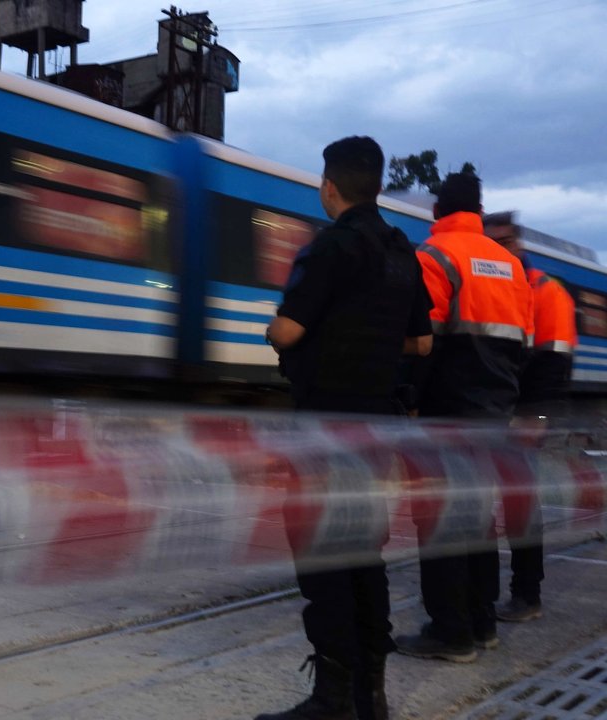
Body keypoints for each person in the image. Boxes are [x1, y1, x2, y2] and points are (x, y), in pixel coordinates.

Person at [258, 136, 433, 720]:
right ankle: (370, 695)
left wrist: (276, 328)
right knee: (363, 552)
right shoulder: (402, 252)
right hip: (377, 425)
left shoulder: (331, 247)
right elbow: (421, 342)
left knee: (322, 555)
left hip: (324, 425)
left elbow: (289, 331)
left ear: (329, 186)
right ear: (378, 186)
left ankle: (333, 698)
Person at [395, 174, 534, 663]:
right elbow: (524, 344)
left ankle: (450, 632)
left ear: (438, 210)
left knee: (439, 517)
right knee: (478, 516)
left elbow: (424, 341)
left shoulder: (434, 255)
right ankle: (481, 622)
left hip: (446, 410)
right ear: (478, 211)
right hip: (495, 410)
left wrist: (410, 400)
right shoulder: (512, 266)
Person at [483, 210, 577, 623]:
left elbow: (554, 361)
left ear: (518, 244)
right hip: (496, 411)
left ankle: (526, 593)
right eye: (491, 243)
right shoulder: (499, 286)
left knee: (519, 501)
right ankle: (488, 593)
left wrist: (533, 418)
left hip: (524, 414)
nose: (498, 250)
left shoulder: (546, 291)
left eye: (504, 242)